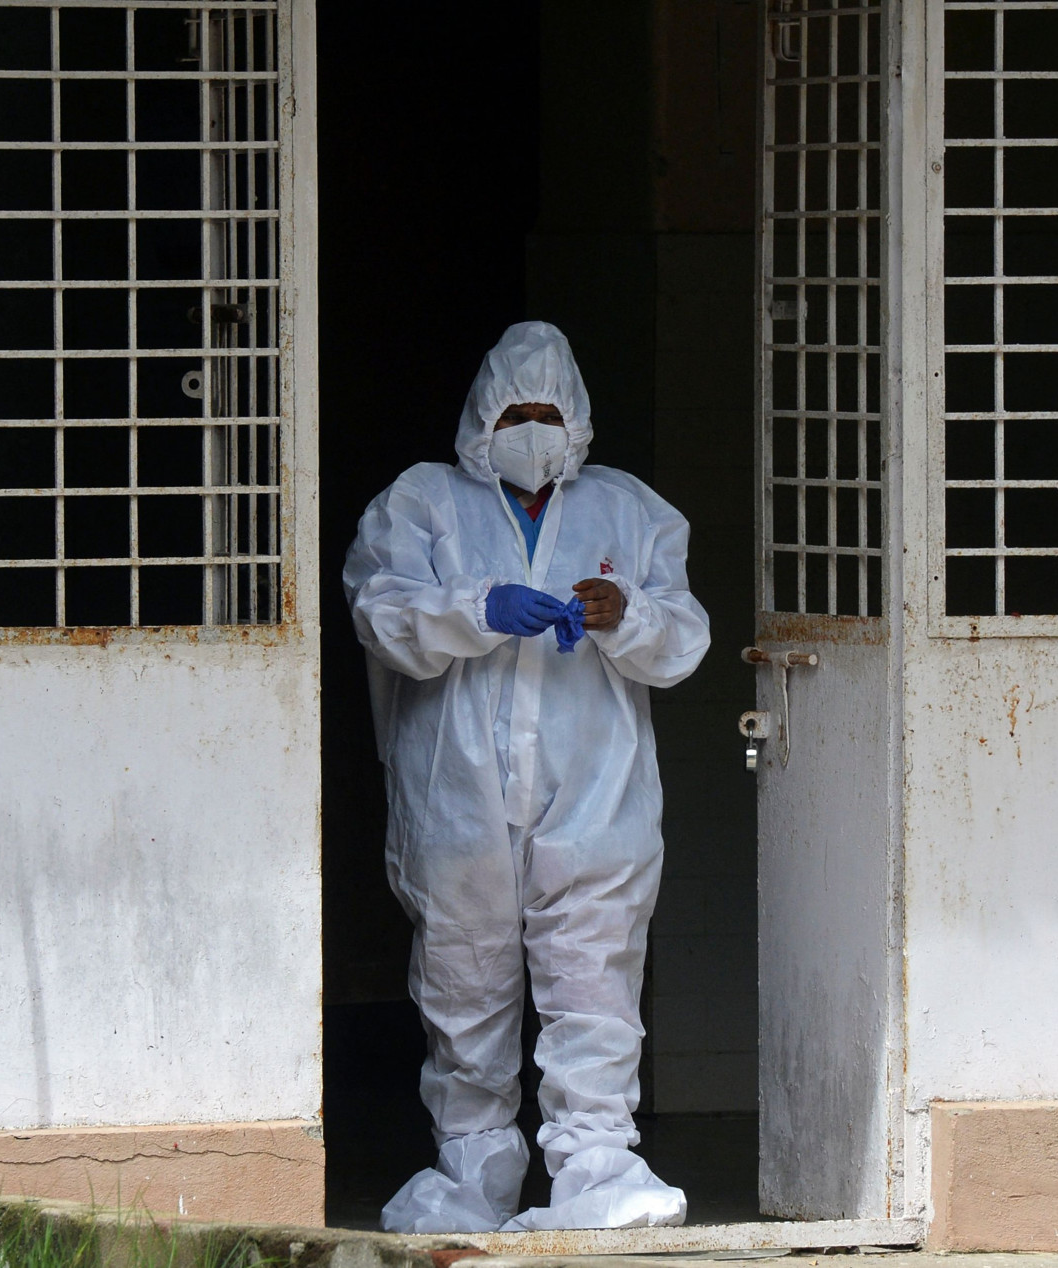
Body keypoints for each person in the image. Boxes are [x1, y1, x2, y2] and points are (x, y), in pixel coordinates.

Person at [344, 321, 710, 1233]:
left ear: (579, 418)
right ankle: (471, 1170)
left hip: (596, 791)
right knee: (464, 980)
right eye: (517, 410)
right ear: (481, 415)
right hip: (457, 791)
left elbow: (683, 639)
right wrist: (479, 607)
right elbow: (379, 613)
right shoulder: (420, 503)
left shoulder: (631, 510)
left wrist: (623, 613)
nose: (534, 428)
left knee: (593, 975)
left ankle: (597, 1168)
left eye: (549, 411)